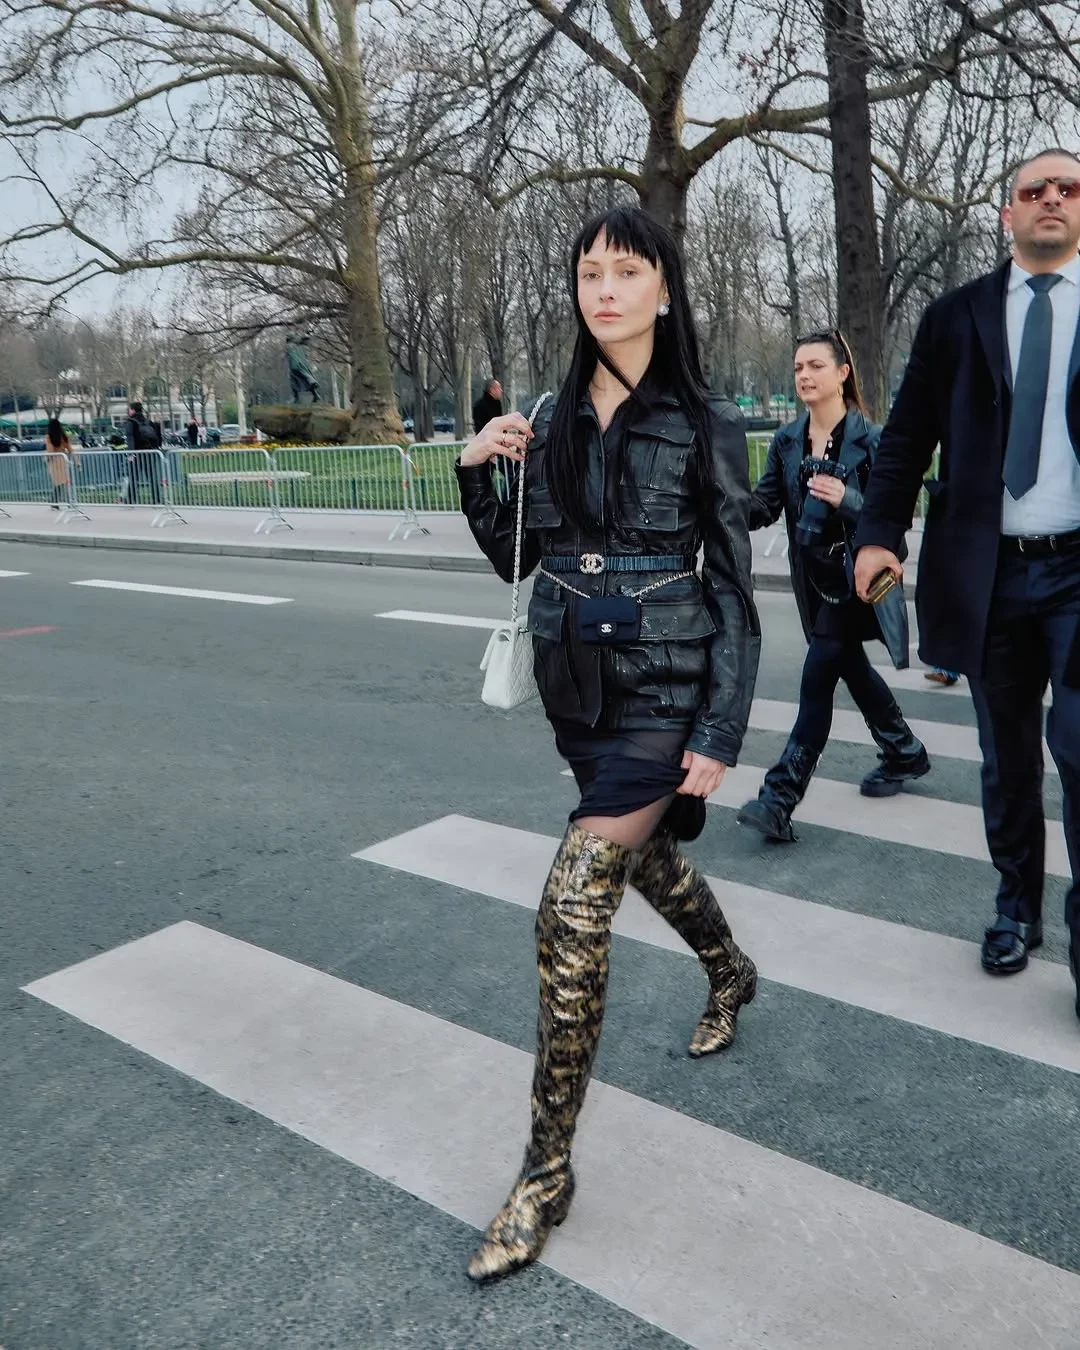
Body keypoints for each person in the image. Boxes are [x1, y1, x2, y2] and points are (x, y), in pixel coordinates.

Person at [456, 204, 760, 1282]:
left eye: (627, 271)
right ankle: (731, 970)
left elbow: (735, 587)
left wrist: (721, 726)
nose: (605, 289)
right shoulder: (548, 413)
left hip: (665, 686)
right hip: (575, 684)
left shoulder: (706, 419)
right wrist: (475, 466)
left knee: (574, 904)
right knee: (644, 856)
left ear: (664, 290)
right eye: (590, 271)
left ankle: (545, 1173)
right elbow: (517, 557)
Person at [853, 147, 1080, 1011]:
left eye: (1068, 188)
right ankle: (1015, 907)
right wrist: (878, 534)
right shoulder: (955, 317)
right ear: (1008, 213)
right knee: (1006, 756)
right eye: (1034, 189)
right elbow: (907, 435)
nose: (1052, 198)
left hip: (1079, 572)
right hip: (990, 575)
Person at [735, 331, 930, 842]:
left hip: (857, 582)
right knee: (851, 668)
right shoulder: (786, 442)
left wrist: (849, 499)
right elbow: (763, 507)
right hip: (814, 583)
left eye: (816, 366)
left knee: (818, 678)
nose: (804, 375)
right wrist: (723, 498)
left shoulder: (874, 440)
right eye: (798, 367)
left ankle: (779, 797)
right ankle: (904, 750)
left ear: (842, 373)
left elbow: (898, 521)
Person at [124, 401, 163, 505]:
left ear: (133, 410)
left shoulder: (131, 422)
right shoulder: (148, 422)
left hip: (137, 453)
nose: (129, 411)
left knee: (133, 477)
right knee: (152, 477)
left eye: (130, 409)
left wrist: (131, 454)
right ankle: (157, 499)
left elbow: (130, 438)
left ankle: (131, 499)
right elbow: (157, 436)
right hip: (150, 452)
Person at [44, 417, 78, 509]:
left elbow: (50, 450)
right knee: (64, 482)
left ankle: (58, 501)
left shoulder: (49, 437)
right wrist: (77, 461)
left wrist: (47, 459)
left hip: (54, 461)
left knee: (59, 482)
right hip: (63, 459)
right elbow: (70, 449)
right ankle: (62, 501)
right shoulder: (64, 436)